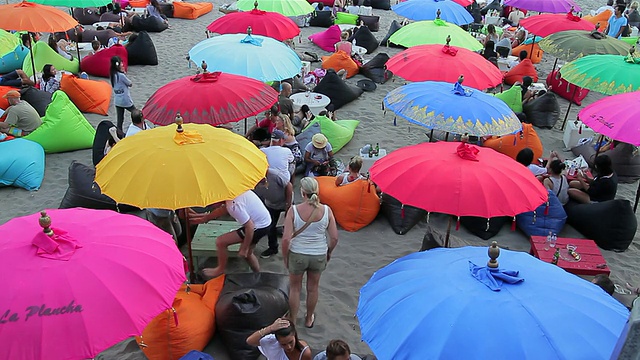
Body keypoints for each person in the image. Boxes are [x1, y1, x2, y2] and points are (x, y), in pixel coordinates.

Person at [283, 177, 338, 328]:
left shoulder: (293, 210)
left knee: (295, 288)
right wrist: (329, 252)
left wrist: (285, 257)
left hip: (297, 253)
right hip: (318, 254)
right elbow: (334, 237)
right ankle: (308, 319)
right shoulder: (326, 210)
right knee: (313, 288)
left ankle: (293, 319)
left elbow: (286, 238)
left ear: (302, 192)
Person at [193, 190, 272, 278]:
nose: (211, 205)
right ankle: (258, 275)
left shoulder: (233, 205)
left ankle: (220, 269)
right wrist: (206, 218)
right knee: (249, 254)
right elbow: (223, 209)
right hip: (265, 222)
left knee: (221, 242)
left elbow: (250, 227)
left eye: (212, 203)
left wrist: (244, 248)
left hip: (258, 227)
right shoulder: (233, 193)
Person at [255, 169, 293, 259]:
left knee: (291, 227)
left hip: (285, 203)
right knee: (271, 227)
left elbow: (289, 186)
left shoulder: (275, 175)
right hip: (270, 204)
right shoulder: (252, 179)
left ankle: (292, 249)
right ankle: (273, 248)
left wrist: (288, 205)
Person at [246, 318, 312, 360]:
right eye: (283, 344)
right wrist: (270, 328)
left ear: (294, 335)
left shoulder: (304, 353)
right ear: (277, 340)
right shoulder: (272, 342)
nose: (288, 347)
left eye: (291, 342)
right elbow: (250, 341)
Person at [110, 56, 136, 133]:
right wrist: (124, 73)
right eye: (121, 63)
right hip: (125, 100)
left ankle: (119, 133)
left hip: (117, 101)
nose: (122, 64)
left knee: (120, 119)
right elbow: (130, 83)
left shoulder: (112, 74)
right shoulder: (121, 76)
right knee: (136, 113)